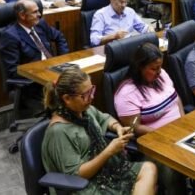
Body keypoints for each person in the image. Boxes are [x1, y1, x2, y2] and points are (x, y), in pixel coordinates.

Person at [41, 67, 157, 195]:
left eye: (91, 91)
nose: (91, 98)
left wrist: (118, 127)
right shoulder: (59, 133)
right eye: (85, 95)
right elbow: (76, 176)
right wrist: (109, 151)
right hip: (85, 185)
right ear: (67, 98)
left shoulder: (84, 111)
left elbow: (105, 119)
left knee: (149, 168)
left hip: (105, 172)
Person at [114, 43, 187, 195]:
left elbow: (175, 97)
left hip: (180, 132)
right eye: (154, 69)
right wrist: (165, 134)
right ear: (139, 68)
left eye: (160, 67)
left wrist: (183, 121)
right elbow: (135, 127)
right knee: (175, 169)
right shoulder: (126, 94)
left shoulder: (162, 76)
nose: (159, 72)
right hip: (155, 143)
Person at [0, 0, 68, 110]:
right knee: (71, 94)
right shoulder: (10, 36)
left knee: (81, 83)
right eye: (35, 12)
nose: (39, 15)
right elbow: (13, 70)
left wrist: (62, 59)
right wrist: (42, 73)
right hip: (33, 84)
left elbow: (59, 37)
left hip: (54, 73)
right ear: (22, 15)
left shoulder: (40, 24)